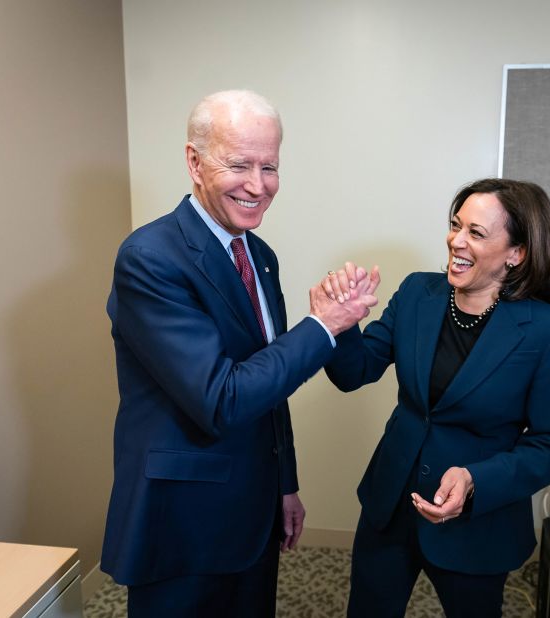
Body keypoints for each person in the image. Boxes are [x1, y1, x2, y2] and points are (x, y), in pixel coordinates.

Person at [100, 89, 378, 617]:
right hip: (182, 521)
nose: (258, 186)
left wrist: (284, 484)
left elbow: (267, 386)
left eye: (269, 166)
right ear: (194, 161)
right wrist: (323, 325)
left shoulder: (259, 254)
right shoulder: (149, 258)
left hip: (252, 510)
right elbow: (222, 397)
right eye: (239, 164)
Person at [319, 178, 550, 617]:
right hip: (391, 505)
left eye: (476, 233)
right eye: (456, 225)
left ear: (517, 253)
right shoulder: (418, 293)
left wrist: (477, 480)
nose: (455, 240)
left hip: (476, 523)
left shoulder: (548, 331)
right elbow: (353, 372)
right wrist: (339, 324)